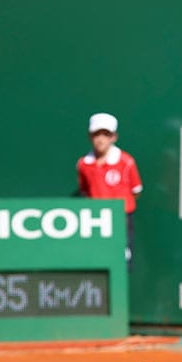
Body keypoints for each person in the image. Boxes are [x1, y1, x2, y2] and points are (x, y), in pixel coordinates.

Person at [76, 112, 143, 263]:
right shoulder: (83, 164)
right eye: (96, 134)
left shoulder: (126, 162)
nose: (100, 139)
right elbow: (85, 192)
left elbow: (136, 191)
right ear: (90, 136)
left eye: (105, 134)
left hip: (122, 220)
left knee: (123, 262)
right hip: (95, 221)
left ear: (113, 137)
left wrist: (121, 212)